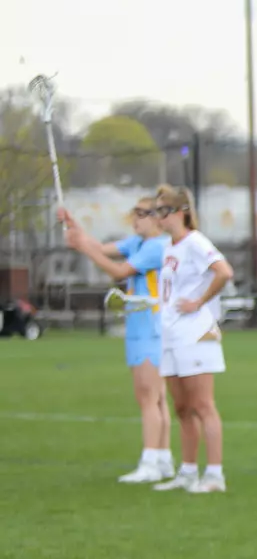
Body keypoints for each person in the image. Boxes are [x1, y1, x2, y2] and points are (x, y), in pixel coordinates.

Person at [59, 198, 174, 483]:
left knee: (149, 396)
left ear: (158, 218)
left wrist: (82, 246)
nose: (137, 219)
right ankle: (162, 459)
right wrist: (77, 229)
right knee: (154, 398)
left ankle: (150, 460)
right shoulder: (137, 243)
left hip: (151, 327)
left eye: (144, 214)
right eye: (135, 214)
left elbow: (119, 271)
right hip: (138, 327)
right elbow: (101, 249)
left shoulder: (157, 246)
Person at [150, 186, 234, 495]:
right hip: (172, 334)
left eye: (162, 211)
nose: (158, 217)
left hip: (196, 333)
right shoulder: (168, 248)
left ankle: (214, 475)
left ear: (179, 212)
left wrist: (199, 301)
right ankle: (187, 471)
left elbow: (224, 272)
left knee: (203, 405)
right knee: (182, 408)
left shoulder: (195, 242)